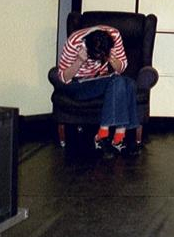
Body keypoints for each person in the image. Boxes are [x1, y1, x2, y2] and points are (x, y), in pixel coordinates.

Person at [57, 25, 140, 153]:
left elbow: (121, 68)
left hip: (100, 80)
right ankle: (115, 136)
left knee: (130, 83)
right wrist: (79, 61)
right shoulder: (74, 41)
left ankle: (114, 137)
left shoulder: (114, 36)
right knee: (120, 81)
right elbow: (63, 78)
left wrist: (112, 59)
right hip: (77, 84)